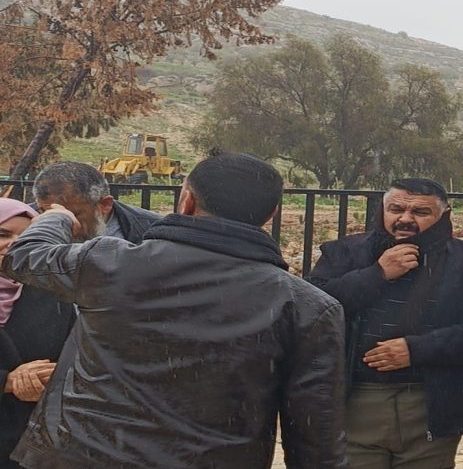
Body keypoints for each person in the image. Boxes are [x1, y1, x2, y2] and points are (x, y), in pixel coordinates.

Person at [2, 151, 347, 468]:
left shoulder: (110, 263)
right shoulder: (307, 307)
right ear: (271, 214)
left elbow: (22, 256)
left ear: (187, 201)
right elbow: (316, 440)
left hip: (83, 456)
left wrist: (56, 217)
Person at [307, 178, 463, 469]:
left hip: (433, 401)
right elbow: (313, 308)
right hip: (356, 399)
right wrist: (376, 274)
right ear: (382, 209)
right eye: (396, 209)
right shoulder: (345, 252)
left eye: (420, 212)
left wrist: (418, 349)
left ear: (443, 215)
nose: (405, 219)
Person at [0, 199, 75, 469]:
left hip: (32, 441)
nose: (14, 244)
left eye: (26, 237)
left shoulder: (52, 294)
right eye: (3, 234)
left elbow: (75, 356)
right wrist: (7, 382)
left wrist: (47, 380)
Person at [32, 161, 160, 243]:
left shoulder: (153, 230)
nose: (59, 224)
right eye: (46, 214)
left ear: (105, 205)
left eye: (72, 215)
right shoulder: (25, 219)